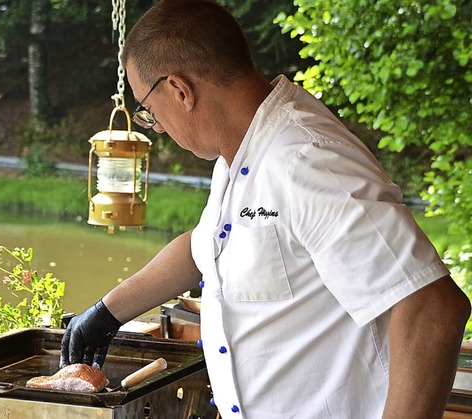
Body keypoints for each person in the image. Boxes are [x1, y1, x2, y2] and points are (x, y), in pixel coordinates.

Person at [60, 0, 471, 417]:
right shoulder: (239, 155)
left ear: (180, 90)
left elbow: (432, 306)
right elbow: (201, 251)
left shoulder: (308, 159)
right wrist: (106, 313)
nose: (158, 126)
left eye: (148, 110)